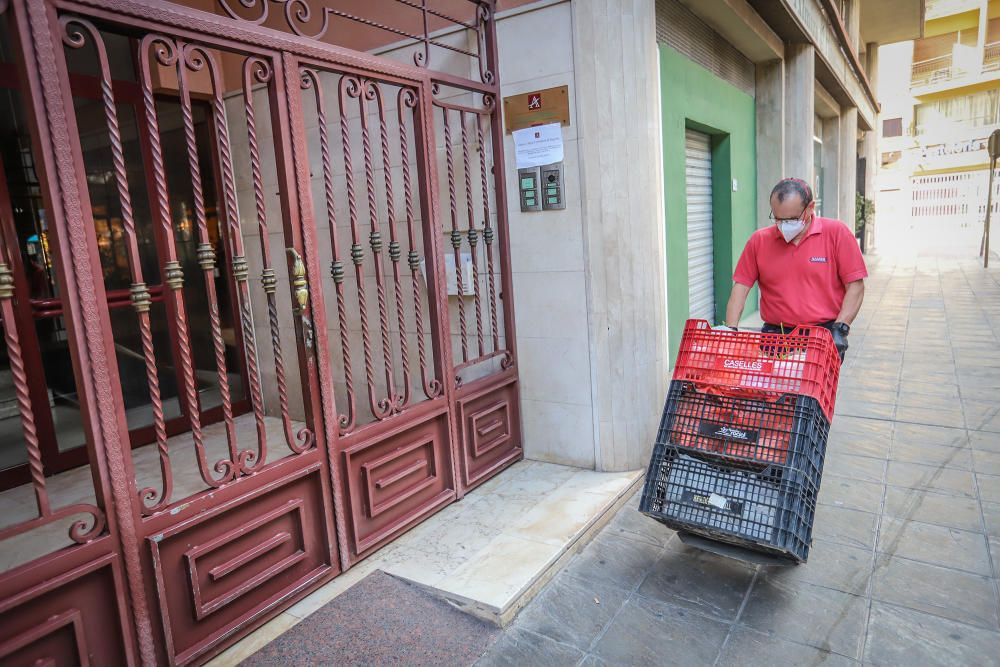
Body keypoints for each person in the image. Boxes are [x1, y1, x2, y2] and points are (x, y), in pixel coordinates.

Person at [720, 177, 867, 360]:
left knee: (810, 388)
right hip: (776, 337)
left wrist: (841, 328)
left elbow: (855, 285)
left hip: (822, 336)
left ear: (810, 208)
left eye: (791, 219)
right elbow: (740, 289)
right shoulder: (759, 241)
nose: (783, 226)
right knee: (773, 388)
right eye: (777, 218)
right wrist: (730, 330)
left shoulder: (836, 233)